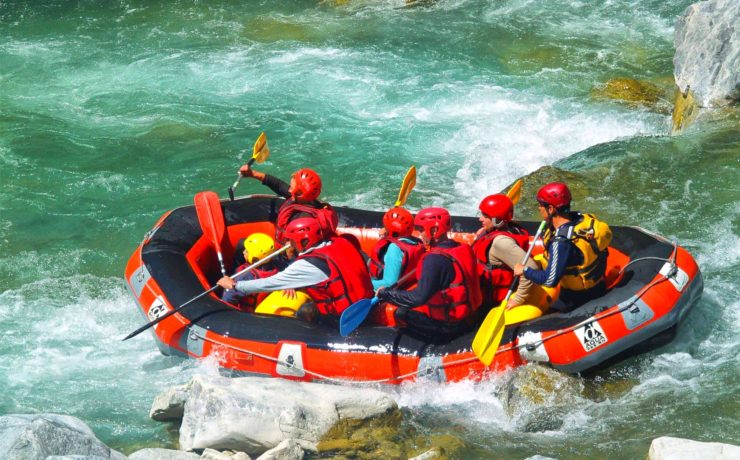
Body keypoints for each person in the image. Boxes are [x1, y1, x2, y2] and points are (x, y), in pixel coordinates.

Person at [217, 216, 373, 325]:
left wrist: (235, 285)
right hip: (365, 304)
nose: (289, 245)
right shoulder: (340, 243)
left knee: (302, 312)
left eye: (291, 241)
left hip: (344, 318)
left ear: (304, 240)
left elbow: (270, 283)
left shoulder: (308, 264)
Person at [376, 207, 482, 343]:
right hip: (470, 318)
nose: (419, 235)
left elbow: (417, 298)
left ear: (434, 230)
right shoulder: (463, 248)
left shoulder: (433, 259)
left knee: (400, 313)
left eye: (421, 230)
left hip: (448, 328)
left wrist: (386, 294)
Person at [514, 182, 612, 312]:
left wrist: (525, 271)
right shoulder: (580, 219)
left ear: (551, 209)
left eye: (541, 205)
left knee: (546, 316)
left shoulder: (561, 243)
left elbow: (550, 280)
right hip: (598, 284)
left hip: (578, 298)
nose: (539, 208)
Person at [472, 194, 538, 309]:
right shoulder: (509, 228)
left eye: (485, 216)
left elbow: (531, 268)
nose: (480, 219)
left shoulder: (501, 242)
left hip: (494, 301)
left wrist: (518, 298)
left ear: (497, 220)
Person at [238, 164, 338, 240]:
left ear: (298, 192)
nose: (292, 179)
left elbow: (294, 250)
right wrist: (252, 173)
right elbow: (277, 184)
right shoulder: (303, 199)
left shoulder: (303, 220)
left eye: (294, 179)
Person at [220, 233, 286, 311]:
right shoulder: (279, 265)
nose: (244, 252)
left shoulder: (244, 277)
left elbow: (228, 299)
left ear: (255, 259)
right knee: (241, 242)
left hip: (246, 311)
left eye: (247, 251)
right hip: (261, 303)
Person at [368, 207, 425, 290]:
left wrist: (365, 283)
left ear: (393, 231)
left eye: (386, 227)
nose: (383, 228)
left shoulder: (394, 249)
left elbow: (389, 284)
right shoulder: (417, 242)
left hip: (384, 291)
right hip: (408, 284)